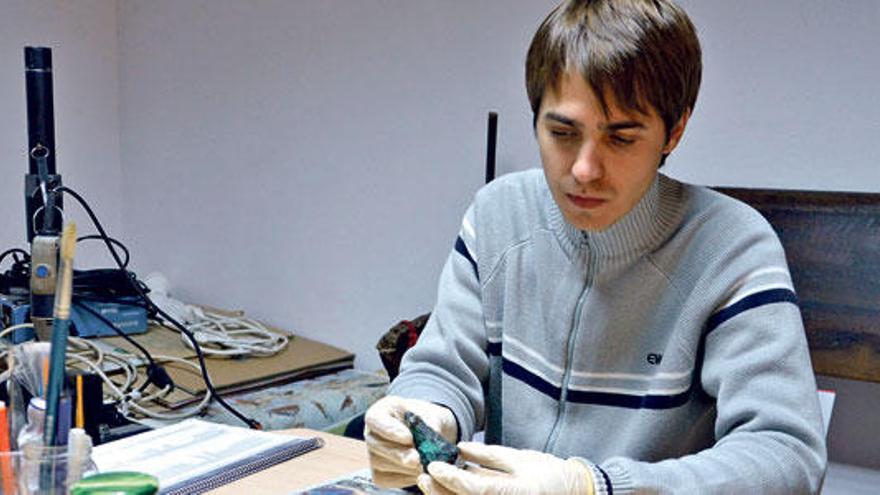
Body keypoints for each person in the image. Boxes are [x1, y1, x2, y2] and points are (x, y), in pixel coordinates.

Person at [364, 0, 827, 493]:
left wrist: (591, 486)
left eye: (622, 138)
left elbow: (787, 456)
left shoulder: (733, 250)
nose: (584, 169)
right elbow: (444, 369)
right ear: (535, 117)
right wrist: (421, 411)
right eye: (562, 132)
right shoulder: (496, 215)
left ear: (675, 130)